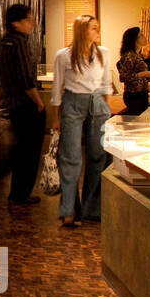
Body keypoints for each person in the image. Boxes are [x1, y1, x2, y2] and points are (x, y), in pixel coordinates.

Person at [51, 15, 113, 227]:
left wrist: (107, 109)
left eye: (98, 27)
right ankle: (69, 209)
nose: (97, 31)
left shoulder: (102, 53)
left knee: (98, 155)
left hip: (97, 103)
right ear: (81, 31)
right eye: (93, 28)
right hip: (72, 103)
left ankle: (92, 208)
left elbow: (106, 85)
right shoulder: (64, 55)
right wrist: (56, 117)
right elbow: (57, 87)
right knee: (70, 156)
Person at [0, 3, 45, 206]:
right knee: (29, 152)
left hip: (12, 104)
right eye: (28, 20)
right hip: (25, 104)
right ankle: (20, 193)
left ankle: (15, 190)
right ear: (16, 23)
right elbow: (25, 78)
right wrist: (39, 102)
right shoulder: (20, 42)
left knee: (21, 148)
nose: (31, 24)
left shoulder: (5, 42)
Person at [117, 27, 150, 116]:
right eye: (141, 35)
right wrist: (144, 74)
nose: (144, 37)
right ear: (135, 39)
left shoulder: (137, 55)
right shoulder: (128, 56)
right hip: (134, 96)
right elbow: (123, 77)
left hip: (142, 94)